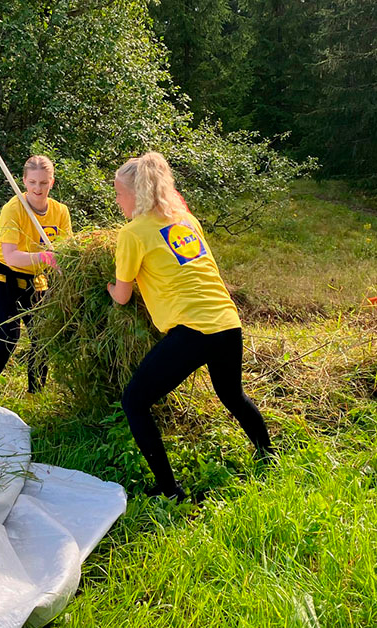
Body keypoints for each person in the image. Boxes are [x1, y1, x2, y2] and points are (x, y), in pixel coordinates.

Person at [107, 151, 274, 501]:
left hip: (194, 331)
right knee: (232, 395)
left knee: (134, 401)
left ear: (136, 194)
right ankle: (269, 457)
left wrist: (109, 287)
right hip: (227, 323)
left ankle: (169, 491)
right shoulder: (185, 220)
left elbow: (122, 296)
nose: (118, 200)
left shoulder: (133, 233)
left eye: (120, 193)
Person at [0, 155, 70, 400]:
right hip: (1, 273)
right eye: (33, 182)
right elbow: (12, 256)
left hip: (34, 279)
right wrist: (48, 259)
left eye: (44, 183)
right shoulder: (13, 209)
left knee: (43, 337)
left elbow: (65, 252)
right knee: (8, 336)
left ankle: (34, 397)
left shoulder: (60, 212)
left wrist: (65, 270)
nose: (38, 189)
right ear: (24, 181)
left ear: (52, 182)